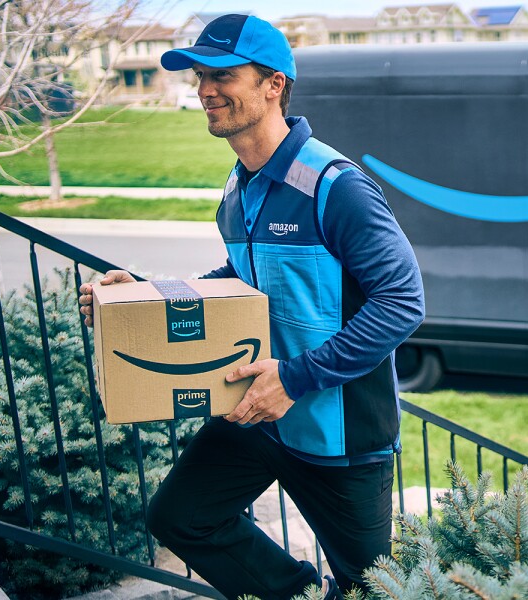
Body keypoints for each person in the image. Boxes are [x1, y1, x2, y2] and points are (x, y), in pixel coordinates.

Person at [77, 14, 424, 600]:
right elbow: (243, 282)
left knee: (374, 590)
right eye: (200, 74)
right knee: (181, 517)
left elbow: (402, 301)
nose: (205, 88)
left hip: (338, 433)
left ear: (274, 85)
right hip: (256, 413)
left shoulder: (334, 185)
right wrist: (149, 294)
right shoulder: (240, 190)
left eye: (223, 74)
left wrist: (295, 377)